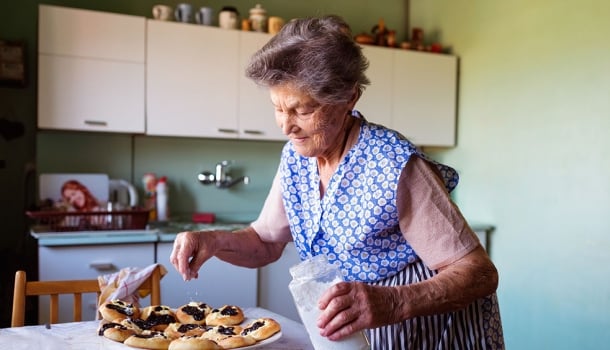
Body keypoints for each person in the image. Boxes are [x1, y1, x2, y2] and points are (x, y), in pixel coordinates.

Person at [171, 15, 504, 349]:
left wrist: (394, 302)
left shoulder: (393, 163)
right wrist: (213, 241)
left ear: (349, 98)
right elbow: (265, 241)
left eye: (302, 110)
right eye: (278, 108)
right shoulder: (296, 158)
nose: (286, 126)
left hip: (430, 333)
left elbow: (479, 273)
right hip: (361, 335)